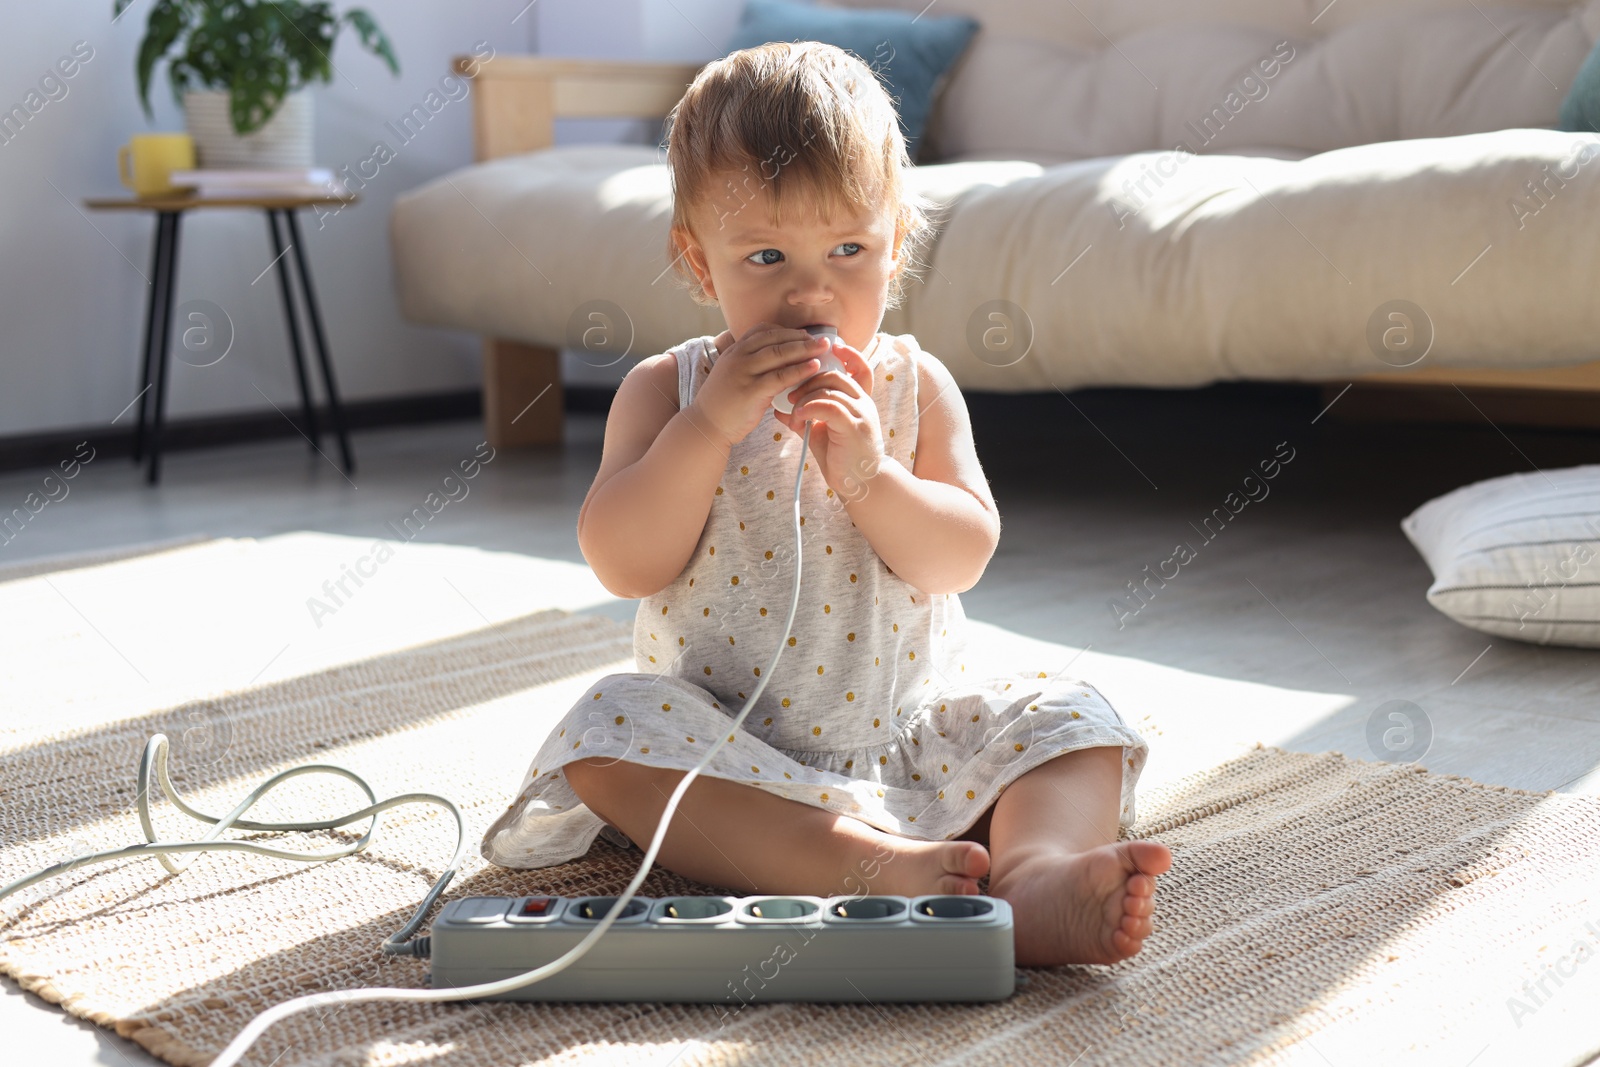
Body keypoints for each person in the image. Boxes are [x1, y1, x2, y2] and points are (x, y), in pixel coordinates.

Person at [480, 40, 1172, 966]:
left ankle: (1037, 874)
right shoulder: (665, 391)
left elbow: (957, 556)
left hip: (910, 732)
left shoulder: (913, 384)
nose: (812, 294)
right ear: (698, 262)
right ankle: (870, 869)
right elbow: (624, 559)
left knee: (1075, 715)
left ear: (896, 248)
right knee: (607, 731)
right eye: (766, 256)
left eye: (849, 250)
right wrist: (707, 429)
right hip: (728, 749)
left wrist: (872, 476)